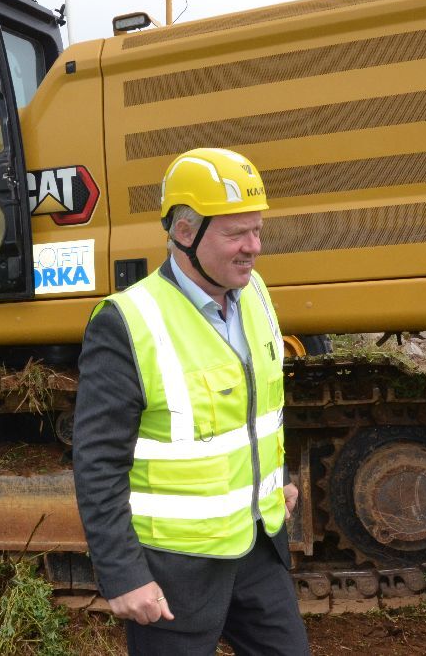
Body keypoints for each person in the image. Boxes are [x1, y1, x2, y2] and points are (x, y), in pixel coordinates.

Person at [73, 148, 308, 655]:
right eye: (236, 234)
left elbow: (253, 409)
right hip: (173, 571)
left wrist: (273, 483)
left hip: (258, 547)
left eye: (257, 230)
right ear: (184, 233)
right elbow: (97, 462)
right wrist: (122, 575)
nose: (254, 248)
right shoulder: (127, 322)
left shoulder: (255, 292)